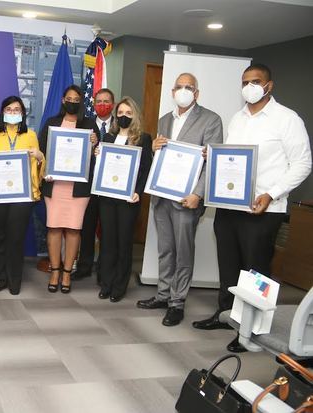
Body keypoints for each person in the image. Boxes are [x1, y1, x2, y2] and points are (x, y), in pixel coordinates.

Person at [192, 63, 311, 352]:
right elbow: (233, 159)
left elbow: (303, 163)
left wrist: (271, 194)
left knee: (255, 271)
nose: (250, 86)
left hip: (263, 209)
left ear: (269, 85)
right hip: (229, 205)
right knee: (229, 263)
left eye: (256, 81)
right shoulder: (238, 118)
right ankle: (226, 315)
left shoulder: (287, 119)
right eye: (245, 82)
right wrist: (214, 156)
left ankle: (252, 330)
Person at [136, 73, 223, 327]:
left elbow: (211, 162)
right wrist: (153, 149)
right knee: (165, 250)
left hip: (187, 199)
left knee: (183, 252)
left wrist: (198, 193)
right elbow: (163, 160)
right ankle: (163, 295)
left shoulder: (210, 120)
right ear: (172, 92)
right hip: (163, 197)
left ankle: (177, 303)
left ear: (196, 93)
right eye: (179, 87)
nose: (183, 91)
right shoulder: (164, 120)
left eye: (189, 87)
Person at [0, 96, 45, 295]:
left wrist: (40, 157)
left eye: (16, 110)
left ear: (22, 113)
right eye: (9, 109)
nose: (13, 113)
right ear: (3, 112)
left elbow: (37, 164)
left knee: (16, 238)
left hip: (22, 197)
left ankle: (15, 279)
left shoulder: (30, 135)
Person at [39, 85, 98, 294]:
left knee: (73, 229)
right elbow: (42, 151)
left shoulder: (90, 125)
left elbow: (97, 156)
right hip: (55, 185)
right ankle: (55, 270)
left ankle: (66, 272)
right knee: (54, 227)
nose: (72, 101)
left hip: (78, 188)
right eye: (69, 98)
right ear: (63, 100)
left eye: (76, 99)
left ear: (81, 101)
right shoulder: (51, 123)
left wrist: (95, 142)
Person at [97, 97, 152, 302]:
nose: (124, 116)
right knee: (108, 241)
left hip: (129, 200)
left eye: (128, 113)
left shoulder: (143, 139)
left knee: (124, 242)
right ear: (115, 115)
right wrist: (97, 155)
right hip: (107, 198)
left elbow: (146, 169)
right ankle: (106, 283)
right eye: (120, 113)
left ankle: (120, 286)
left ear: (134, 116)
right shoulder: (108, 138)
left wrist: (138, 190)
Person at [72, 88, 116, 283]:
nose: (102, 104)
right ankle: (84, 266)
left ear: (113, 104)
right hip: (88, 183)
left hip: (110, 185)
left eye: (106, 101)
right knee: (87, 227)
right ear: (93, 103)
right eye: (99, 101)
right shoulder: (84, 124)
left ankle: (104, 270)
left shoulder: (120, 125)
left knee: (108, 230)